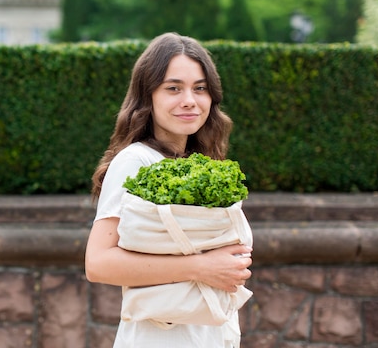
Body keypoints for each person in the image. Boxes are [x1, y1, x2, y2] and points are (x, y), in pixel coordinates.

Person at [84, 32, 253, 347]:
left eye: (199, 88)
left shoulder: (201, 164)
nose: (189, 99)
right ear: (148, 96)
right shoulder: (135, 161)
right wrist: (201, 267)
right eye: (173, 88)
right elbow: (98, 263)